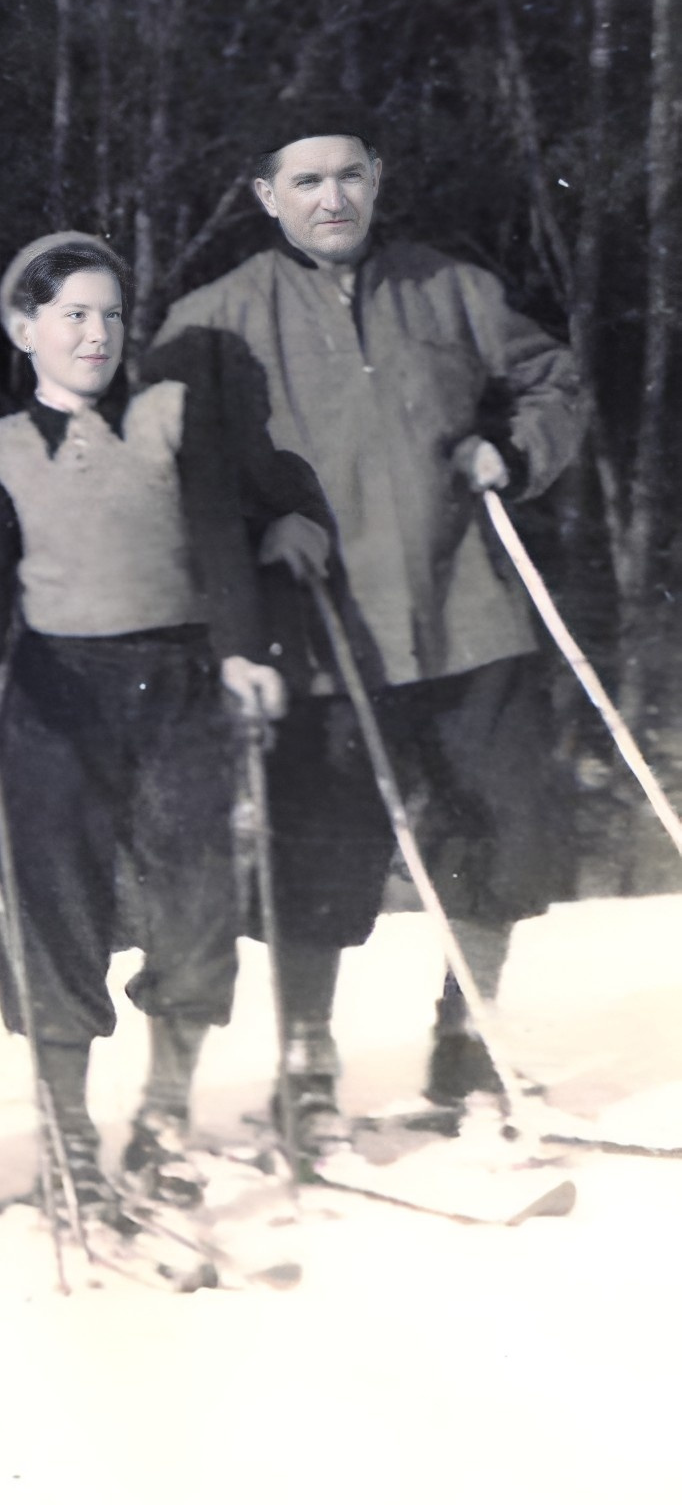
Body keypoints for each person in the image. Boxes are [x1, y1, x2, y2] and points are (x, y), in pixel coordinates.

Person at [150, 103, 591, 1146]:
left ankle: (466, 1033)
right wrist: (257, 540)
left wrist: (511, 453)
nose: (330, 198)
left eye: (346, 175)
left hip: (465, 615)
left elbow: (552, 379)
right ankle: (307, 1054)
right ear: (265, 198)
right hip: (320, 633)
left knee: (501, 827)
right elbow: (178, 471)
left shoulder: (448, 287)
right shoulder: (210, 319)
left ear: (376, 178)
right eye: (303, 182)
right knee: (318, 852)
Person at [0, 234, 314, 1209]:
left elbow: (215, 541)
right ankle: (64, 1131)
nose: (96, 334)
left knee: (193, 900)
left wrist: (239, 649)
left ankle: (160, 1116)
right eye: (72, 315)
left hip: (179, 682)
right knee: (56, 907)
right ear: (23, 329)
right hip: (54, 694)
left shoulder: (167, 416)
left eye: (110, 315)